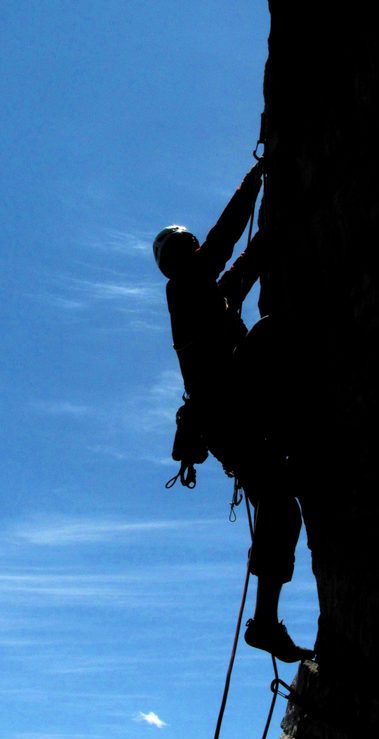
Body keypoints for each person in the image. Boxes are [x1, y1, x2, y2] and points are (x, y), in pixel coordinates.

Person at [153, 162, 314, 663]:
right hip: (228, 413)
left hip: (230, 418)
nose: (196, 252)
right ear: (182, 256)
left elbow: (239, 269)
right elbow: (224, 242)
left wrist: (268, 240)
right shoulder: (183, 288)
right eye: (190, 249)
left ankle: (266, 620)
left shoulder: (206, 297)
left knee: (280, 503)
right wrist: (258, 176)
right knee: (269, 334)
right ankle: (265, 620)